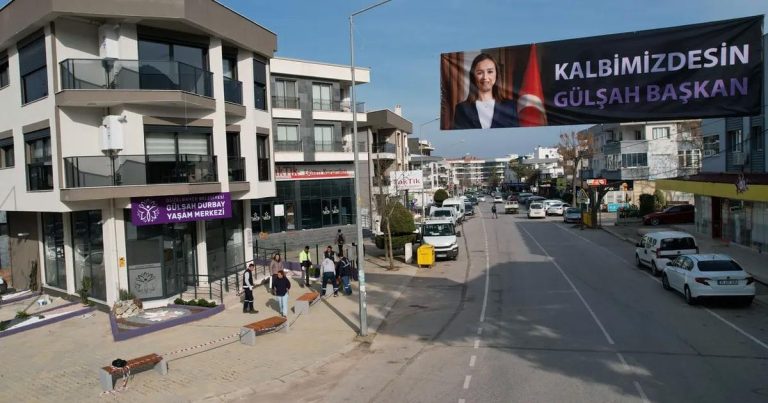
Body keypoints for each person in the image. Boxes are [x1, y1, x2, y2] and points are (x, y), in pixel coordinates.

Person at [452, 53, 518, 130]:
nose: (485, 77)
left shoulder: (511, 106)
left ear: (496, 75)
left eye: (490, 72)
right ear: (473, 76)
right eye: (480, 73)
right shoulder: (461, 109)